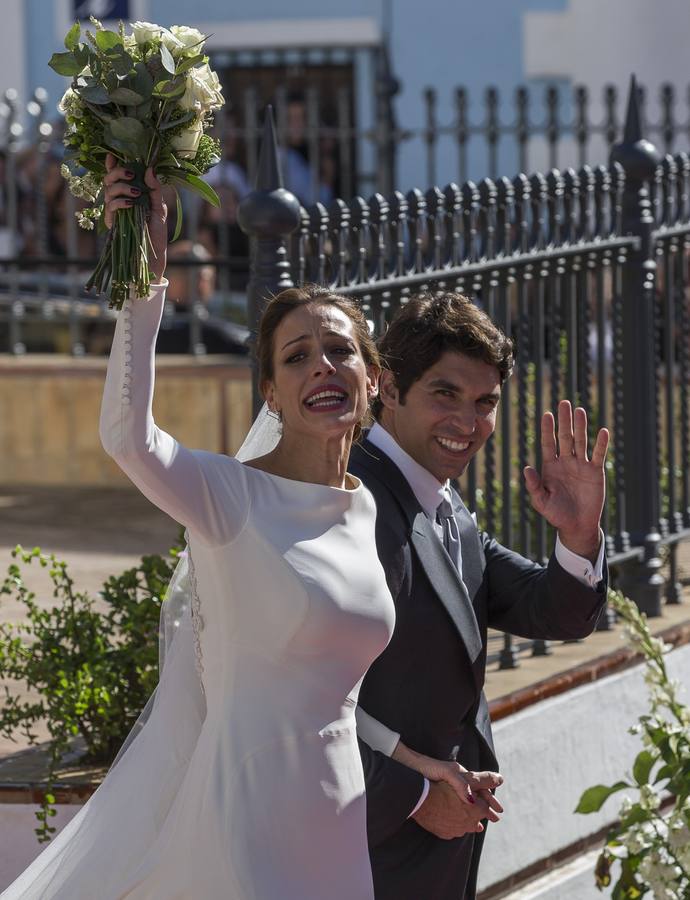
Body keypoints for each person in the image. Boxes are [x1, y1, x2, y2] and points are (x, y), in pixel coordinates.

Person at [3, 158, 393, 900]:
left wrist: (416, 759)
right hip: (246, 822)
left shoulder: (364, 507)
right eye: (298, 356)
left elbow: (332, 689)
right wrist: (145, 284)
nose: (324, 367)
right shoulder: (229, 496)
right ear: (271, 393)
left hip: (339, 825)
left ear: (372, 379)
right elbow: (128, 436)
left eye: (341, 350)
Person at [350, 292, 610, 900]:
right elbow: (298, 707)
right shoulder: (353, 501)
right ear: (388, 389)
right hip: (370, 850)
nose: (468, 424)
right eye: (446, 394)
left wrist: (578, 535)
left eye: (485, 402)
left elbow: (556, 610)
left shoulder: (441, 502)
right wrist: (415, 798)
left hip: (443, 844)